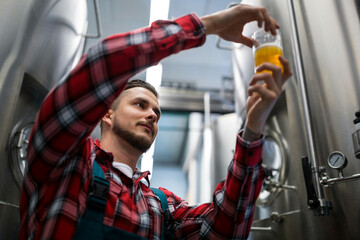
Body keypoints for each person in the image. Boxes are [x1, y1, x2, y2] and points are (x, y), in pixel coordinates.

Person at [19, 3, 292, 240]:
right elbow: (101, 64)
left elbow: (226, 229)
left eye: (157, 113)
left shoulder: (160, 205)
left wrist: (253, 129)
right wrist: (208, 25)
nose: (152, 114)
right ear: (107, 113)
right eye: (140, 104)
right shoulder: (68, 163)